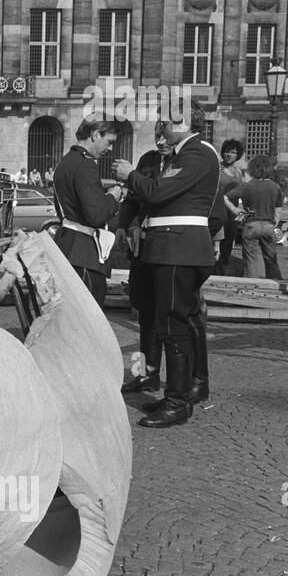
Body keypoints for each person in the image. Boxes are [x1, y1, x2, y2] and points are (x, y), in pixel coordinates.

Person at [113, 111, 220, 429]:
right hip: (153, 248)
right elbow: (139, 199)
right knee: (153, 317)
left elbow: (160, 193)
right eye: (158, 131)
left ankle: (180, 397)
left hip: (178, 248)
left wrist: (131, 175)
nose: (160, 136)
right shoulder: (162, 158)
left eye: (166, 128)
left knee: (177, 324)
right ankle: (151, 377)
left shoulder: (199, 154)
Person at [52, 119, 125, 307]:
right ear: (95, 134)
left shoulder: (67, 162)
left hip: (69, 245)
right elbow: (96, 215)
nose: (109, 149)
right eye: (109, 141)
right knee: (88, 321)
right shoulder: (85, 165)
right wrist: (113, 196)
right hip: (84, 253)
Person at [118, 148, 166, 393]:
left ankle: (169, 377)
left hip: (164, 252)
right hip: (141, 252)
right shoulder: (149, 160)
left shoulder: (179, 166)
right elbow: (131, 201)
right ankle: (142, 373)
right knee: (143, 317)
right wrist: (123, 225)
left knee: (163, 321)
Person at [225, 155, 284, 279]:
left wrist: (236, 210)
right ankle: (275, 285)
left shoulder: (247, 186)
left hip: (251, 225)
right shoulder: (275, 187)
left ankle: (251, 286)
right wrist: (274, 224)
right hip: (269, 225)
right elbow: (277, 211)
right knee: (271, 259)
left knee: (251, 260)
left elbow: (225, 197)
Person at [213, 139, 245, 276]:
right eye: (227, 152)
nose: (229, 155)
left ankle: (221, 272)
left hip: (233, 213)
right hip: (218, 209)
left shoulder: (238, 172)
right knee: (215, 243)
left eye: (233, 152)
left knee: (227, 244)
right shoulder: (217, 168)